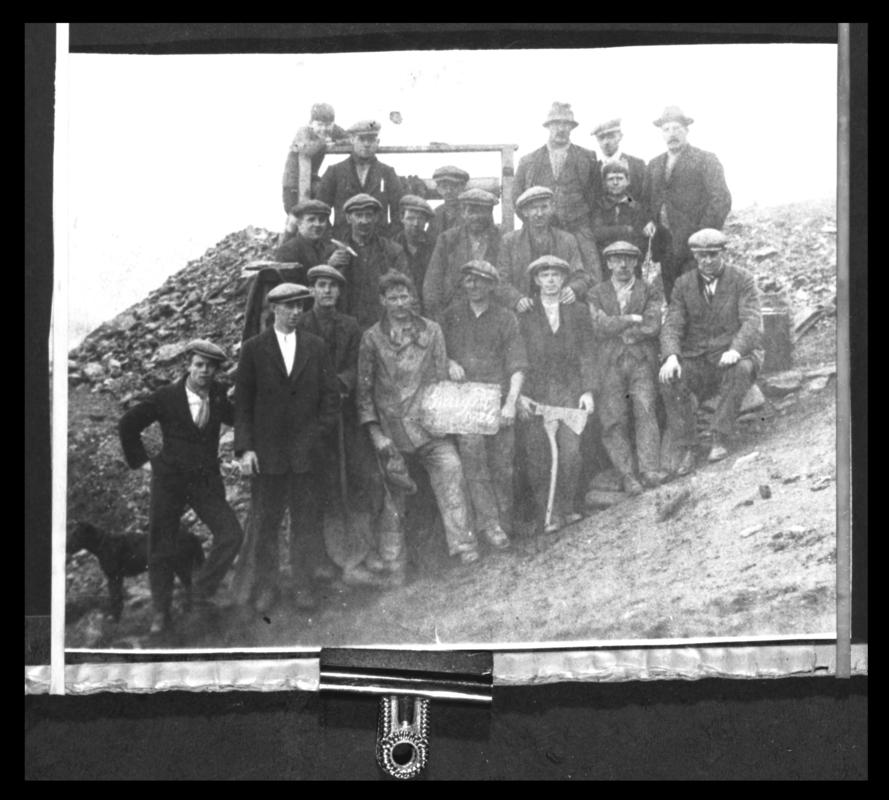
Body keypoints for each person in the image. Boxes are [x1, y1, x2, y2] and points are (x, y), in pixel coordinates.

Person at [357, 272, 480, 582]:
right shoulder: (372, 338)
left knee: (451, 469)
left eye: (405, 297)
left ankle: (463, 544)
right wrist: (376, 435)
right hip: (391, 431)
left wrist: (450, 371)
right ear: (382, 301)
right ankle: (393, 561)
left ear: (412, 298)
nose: (400, 303)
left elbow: (439, 379)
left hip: (428, 427)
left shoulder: (432, 330)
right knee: (392, 493)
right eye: (393, 298)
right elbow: (364, 392)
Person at [119, 340, 244, 634]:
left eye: (210, 366)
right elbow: (128, 424)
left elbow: (239, 419)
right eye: (199, 365)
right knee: (160, 545)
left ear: (216, 370)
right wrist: (144, 463)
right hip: (169, 480)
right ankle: (161, 612)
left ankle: (201, 590)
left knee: (231, 533)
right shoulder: (165, 397)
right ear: (188, 365)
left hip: (205, 482)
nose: (204, 371)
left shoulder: (217, 395)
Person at [235, 283, 340, 614]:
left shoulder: (316, 346)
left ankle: (303, 585)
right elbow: (242, 404)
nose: (297, 312)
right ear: (274, 309)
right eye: (290, 306)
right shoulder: (253, 349)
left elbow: (330, 399)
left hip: (306, 455)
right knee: (267, 522)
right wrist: (245, 448)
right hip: (267, 456)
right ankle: (267, 586)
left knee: (306, 522)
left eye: (300, 306)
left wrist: (316, 435)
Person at [659, 229, 763, 475]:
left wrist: (736, 349)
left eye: (712, 255)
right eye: (700, 256)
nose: (706, 261)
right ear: (694, 256)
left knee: (740, 370)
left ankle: (719, 436)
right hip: (699, 357)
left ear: (723, 253)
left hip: (733, 354)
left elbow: (751, 321)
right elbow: (672, 323)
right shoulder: (683, 284)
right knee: (670, 379)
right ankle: (687, 446)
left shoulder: (742, 279)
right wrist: (671, 356)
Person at [440, 260, 528, 548]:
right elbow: (437, 354)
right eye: (469, 280)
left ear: (492, 285)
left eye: (480, 281)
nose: (474, 286)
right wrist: (450, 363)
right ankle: (489, 524)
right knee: (474, 462)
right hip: (465, 403)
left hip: (498, 398)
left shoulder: (506, 319)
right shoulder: (451, 316)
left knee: (503, 465)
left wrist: (511, 404)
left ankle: (505, 520)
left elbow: (517, 366)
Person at [295, 265, 370, 584]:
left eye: (332, 287)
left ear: (340, 292)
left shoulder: (350, 326)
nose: (327, 291)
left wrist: (342, 383)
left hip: (344, 413)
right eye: (321, 285)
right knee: (315, 484)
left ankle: (355, 555)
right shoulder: (299, 325)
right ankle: (319, 559)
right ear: (311, 290)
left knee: (351, 476)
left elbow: (357, 365)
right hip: (311, 416)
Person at [517, 255, 596, 533]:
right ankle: (547, 513)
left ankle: (568, 505)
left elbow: (587, 352)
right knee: (538, 453)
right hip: (537, 391)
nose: (550, 281)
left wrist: (587, 390)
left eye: (556, 275)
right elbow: (517, 356)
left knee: (570, 452)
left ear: (564, 279)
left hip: (569, 388)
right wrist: (520, 395)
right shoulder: (525, 313)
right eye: (545, 276)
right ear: (536, 280)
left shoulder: (578, 311)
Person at [589, 242, 666, 495]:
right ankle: (627, 475)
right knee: (613, 419)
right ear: (608, 263)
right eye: (616, 259)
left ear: (635, 263)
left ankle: (649, 469)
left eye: (628, 259)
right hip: (609, 362)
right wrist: (631, 319)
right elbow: (597, 326)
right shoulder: (596, 293)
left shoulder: (648, 291)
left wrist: (618, 327)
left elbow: (653, 324)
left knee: (645, 410)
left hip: (640, 359)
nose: (622, 264)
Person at [642, 106, 732, 301]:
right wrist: (649, 220)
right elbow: (646, 200)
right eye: (666, 130)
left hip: (696, 247)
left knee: (698, 299)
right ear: (661, 134)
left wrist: (703, 235)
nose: (671, 134)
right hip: (665, 244)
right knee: (673, 298)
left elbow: (721, 199)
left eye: (676, 128)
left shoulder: (705, 160)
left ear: (686, 130)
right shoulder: (654, 165)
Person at [242, 199, 351, 341]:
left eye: (322, 220)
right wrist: (328, 265)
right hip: (298, 320)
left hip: (325, 318)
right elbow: (290, 290)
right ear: (299, 223)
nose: (317, 224)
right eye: (311, 220)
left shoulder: (329, 248)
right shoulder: (288, 251)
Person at [512, 102, 601, 276]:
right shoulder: (529, 161)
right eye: (556, 124)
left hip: (578, 229)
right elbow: (516, 197)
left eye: (566, 124)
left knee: (591, 272)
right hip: (540, 230)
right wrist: (535, 221)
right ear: (548, 127)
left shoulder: (587, 157)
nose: (561, 129)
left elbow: (595, 195)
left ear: (571, 128)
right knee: (533, 274)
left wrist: (581, 219)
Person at [497, 185, 591, 312]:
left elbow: (581, 276)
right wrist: (517, 299)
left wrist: (573, 289)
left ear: (552, 209)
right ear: (525, 212)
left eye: (544, 207)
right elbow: (501, 281)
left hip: (559, 306)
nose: (539, 213)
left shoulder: (567, 240)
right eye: (534, 208)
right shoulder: (509, 241)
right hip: (525, 309)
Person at [423, 188, 501, 319]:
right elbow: (433, 282)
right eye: (471, 211)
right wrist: (438, 316)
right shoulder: (448, 239)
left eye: (482, 211)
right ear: (463, 213)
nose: (476, 217)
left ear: (490, 213)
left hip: (490, 311)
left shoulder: (500, 240)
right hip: (453, 312)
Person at [316, 119, 403, 237]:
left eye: (371, 140)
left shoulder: (387, 173)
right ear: (352, 140)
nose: (366, 144)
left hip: (378, 245)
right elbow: (320, 210)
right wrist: (332, 239)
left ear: (378, 142)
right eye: (361, 139)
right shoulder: (335, 172)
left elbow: (398, 213)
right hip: (343, 242)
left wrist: (388, 241)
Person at [335, 193, 409, 330]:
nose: (364, 221)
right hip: (345, 327)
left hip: (383, 326)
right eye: (358, 215)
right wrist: (330, 266)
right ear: (348, 218)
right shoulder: (335, 252)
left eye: (369, 215)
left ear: (376, 218)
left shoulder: (392, 251)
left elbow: (408, 291)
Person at [281, 102, 349, 214]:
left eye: (328, 124)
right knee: (296, 217)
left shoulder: (333, 130)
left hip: (312, 180)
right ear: (311, 123)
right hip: (293, 184)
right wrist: (324, 142)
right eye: (320, 124)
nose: (324, 129)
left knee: (319, 210)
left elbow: (350, 138)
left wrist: (336, 142)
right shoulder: (303, 132)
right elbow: (307, 149)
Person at [591, 162, 651, 272]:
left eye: (619, 178)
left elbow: (640, 235)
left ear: (628, 181)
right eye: (610, 179)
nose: (615, 183)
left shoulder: (635, 206)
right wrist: (625, 229)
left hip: (631, 258)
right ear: (604, 182)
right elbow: (597, 232)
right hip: (605, 258)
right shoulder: (598, 205)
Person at [391, 194, 436, 311]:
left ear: (426, 221)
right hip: (400, 305)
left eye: (420, 219)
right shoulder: (391, 246)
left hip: (428, 306)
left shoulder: (435, 246)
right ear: (402, 218)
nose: (415, 223)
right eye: (410, 218)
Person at [591, 117, 646, 201]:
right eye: (601, 138)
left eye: (611, 137)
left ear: (620, 137)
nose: (606, 142)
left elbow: (644, 198)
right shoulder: (593, 168)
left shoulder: (637, 165)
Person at [427, 165, 470, 242]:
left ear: (463, 187)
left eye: (454, 186)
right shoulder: (435, 214)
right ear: (438, 189)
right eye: (444, 186)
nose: (449, 191)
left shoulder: (471, 212)